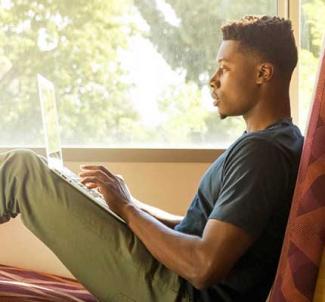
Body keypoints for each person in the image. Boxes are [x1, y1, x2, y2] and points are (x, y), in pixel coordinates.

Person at [0, 15, 303, 302]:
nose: (213, 80)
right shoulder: (281, 141)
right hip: (172, 282)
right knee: (38, 173)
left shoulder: (261, 154)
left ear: (263, 73)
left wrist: (129, 210)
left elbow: (203, 266)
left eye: (224, 68)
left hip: (176, 292)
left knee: (22, 171)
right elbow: (198, 229)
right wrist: (126, 202)